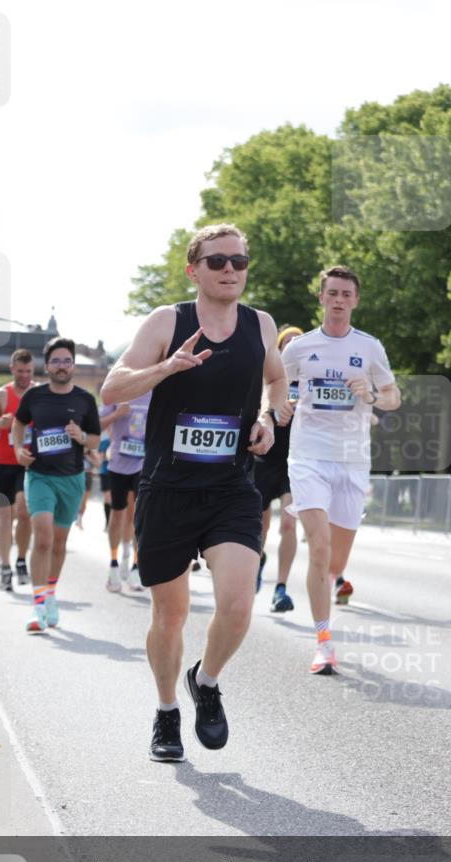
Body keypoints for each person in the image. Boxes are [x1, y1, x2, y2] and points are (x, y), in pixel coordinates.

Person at [101, 223, 286, 762]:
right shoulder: (168, 320)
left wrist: (269, 418)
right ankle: (165, 712)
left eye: (240, 261)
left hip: (230, 487)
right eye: (217, 261)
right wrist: (168, 367)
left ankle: (205, 681)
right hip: (166, 488)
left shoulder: (260, 324)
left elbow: (276, 381)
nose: (231, 269)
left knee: (236, 604)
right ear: (194, 270)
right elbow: (112, 388)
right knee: (171, 615)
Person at [281, 265, 400, 674]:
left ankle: (328, 585)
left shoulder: (369, 347)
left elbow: (393, 397)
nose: (338, 300)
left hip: (352, 460)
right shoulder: (298, 348)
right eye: (331, 292)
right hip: (308, 455)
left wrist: (372, 395)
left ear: (355, 300)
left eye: (346, 294)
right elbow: (276, 386)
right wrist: (272, 411)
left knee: (334, 561)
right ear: (321, 298)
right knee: (318, 546)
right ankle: (323, 642)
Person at [13, 336, 100, 632]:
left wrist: (81, 437)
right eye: (55, 361)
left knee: (59, 545)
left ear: (72, 364)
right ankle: (38, 606)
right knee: (44, 538)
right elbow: (18, 423)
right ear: (46, 365)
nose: (61, 366)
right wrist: (17, 451)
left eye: (66, 360)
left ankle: (50, 593)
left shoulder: (85, 400)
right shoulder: (34, 398)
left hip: (72, 479)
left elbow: (95, 440)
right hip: (39, 476)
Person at [254, 325, 303, 611]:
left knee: (288, 522)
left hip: (294, 463)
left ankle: (281, 589)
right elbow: (258, 407)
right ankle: (257, 559)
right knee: (259, 528)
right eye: (288, 342)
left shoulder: (311, 378)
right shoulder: (268, 378)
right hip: (264, 460)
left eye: (299, 342)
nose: (294, 346)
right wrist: (274, 411)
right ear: (280, 348)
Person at [0, 350, 35, 591]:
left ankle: (21, 560)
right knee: (5, 518)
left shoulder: (39, 393)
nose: (24, 376)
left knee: (24, 511)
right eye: (20, 371)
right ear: (12, 369)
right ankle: (5, 567)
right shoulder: (1, 394)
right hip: (3, 462)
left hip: (29, 461)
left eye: (28, 371)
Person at [99, 393, 151, 592]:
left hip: (143, 465)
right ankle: (113, 564)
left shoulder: (156, 391)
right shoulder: (119, 390)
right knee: (117, 514)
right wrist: (116, 415)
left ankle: (136, 566)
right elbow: (98, 426)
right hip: (118, 465)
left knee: (139, 516)